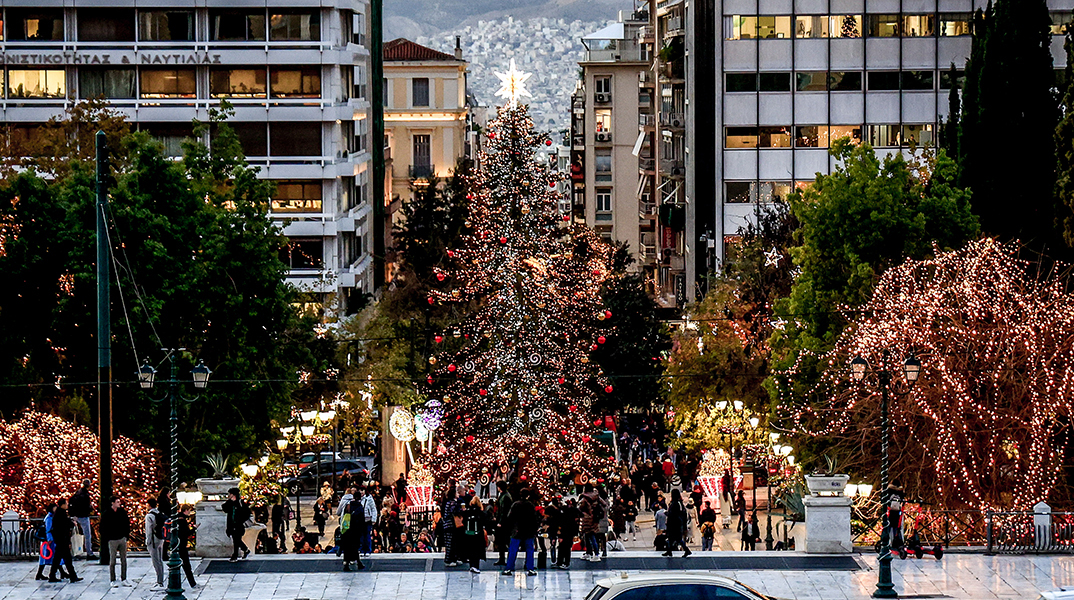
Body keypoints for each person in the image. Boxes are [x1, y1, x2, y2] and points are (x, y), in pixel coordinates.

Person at [502, 488, 538, 576]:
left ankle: (509, 568)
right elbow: (535, 519)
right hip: (528, 531)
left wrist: (511, 529)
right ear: (528, 496)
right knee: (529, 550)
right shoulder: (530, 505)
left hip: (517, 530)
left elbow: (509, 518)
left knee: (513, 550)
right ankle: (530, 568)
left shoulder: (515, 505)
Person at [48, 498, 80, 583]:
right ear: (62, 505)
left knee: (59, 558)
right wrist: (72, 523)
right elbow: (65, 525)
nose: (67, 505)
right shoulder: (61, 514)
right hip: (62, 539)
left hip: (60, 539)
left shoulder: (59, 513)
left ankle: (54, 575)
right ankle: (72, 576)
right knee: (65, 558)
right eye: (66, 504)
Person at [100, 496, 129, 587]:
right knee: (112, 561)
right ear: (112, 503)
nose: (119, 503)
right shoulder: (107, 513)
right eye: (117, 502)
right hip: (112, 539)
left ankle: (124, 578)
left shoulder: (122, 512)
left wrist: (126, 536)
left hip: (122, 538)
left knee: (123, 560)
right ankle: (112, 579)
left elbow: (126, 523)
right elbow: (102, 527)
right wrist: (107, 537)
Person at [38, 503, 70, 582]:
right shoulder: (49, 518)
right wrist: (50, 539)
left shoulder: (52, 516)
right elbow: (48, 529)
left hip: (53, 539)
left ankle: (61, 572)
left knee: (56, 557)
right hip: (50, 540)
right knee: (52, 557)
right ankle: (40, 573)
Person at [68, 479, 96, 560]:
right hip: (83, 516)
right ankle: (89, 553)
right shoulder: (86, 495)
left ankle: (72, 552)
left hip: (75, 516)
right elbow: (87, 507)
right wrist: (90, 509)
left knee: (72, 535)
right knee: (87, 535)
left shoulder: (77, 493)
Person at [578, 483, 605, 562]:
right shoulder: (596, 496)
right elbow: (604, 504)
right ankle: (590, 553)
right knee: (590, 535)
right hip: (595, 519)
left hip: (587, 519)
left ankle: (594, 554)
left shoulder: (584, 498)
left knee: (589, 536)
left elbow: (580, 508)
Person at [339, 493, 366, 571]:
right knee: (355, 547)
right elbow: (362, 520)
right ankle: (358, 563)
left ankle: (347, 564)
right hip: (355, 532)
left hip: (346, 530)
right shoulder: (359, 507)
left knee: (347, 548)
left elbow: (343, 516)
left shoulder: (348, 506)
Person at [460, 495, 488, 573]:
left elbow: (463, 521)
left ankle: (471, 565)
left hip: (468, 534)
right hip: (478, 534)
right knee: (477, 551)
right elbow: (485, 522)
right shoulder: (481, 513)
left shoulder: (467, 512)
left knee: (470, 550)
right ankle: (476, 566)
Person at [222, 488, 251, 562]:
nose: (228, 495)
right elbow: (225, 508)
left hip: (238, 525)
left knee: (236, 540)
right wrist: (230, 502)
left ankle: (235, 555)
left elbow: (247, 513)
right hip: (231, 524)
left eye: (230, 494)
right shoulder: (229, 503)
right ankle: (245, 549)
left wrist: (241, 520)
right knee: (236, 540)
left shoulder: (240, 503)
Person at [144, 498, 166, 589]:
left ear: (149, 505)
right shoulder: (159, 513)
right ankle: (161, 579)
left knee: (155, 561)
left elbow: (149, 530)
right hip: (160, 538)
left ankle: (159, 581)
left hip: (153, 539)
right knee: (160, 560)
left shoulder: (149, 516)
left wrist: (147, 541)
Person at [663, 489, 692, 558]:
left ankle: (686, 550)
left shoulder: (675, 503)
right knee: (671, 538)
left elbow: (673, 514)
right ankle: (669, 551)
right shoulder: (679, 503)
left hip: (674, 523)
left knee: (676, 538)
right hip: (677, 523)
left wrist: (667, 513)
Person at [553, 498, 580, 570]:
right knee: (566, 547)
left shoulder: (563, 513)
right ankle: (564, 562)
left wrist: (560, 534)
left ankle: (562, 562)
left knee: (563, 547)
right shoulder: (573, 511)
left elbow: (562, 523)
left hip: (566, 531)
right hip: (570, 531)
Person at [175, 505, 198, 587]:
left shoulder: (177, 519)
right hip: (182, 545)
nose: (189, 512)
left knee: (181, 565)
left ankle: (191, 583)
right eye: (188, 511)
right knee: (186, 566)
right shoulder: (183, 521)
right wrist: (194, 529)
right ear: (185, 511)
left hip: (177, 545)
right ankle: (192, 583)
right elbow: (186, 534)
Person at [493, 481, 513, 565]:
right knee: (501, 542)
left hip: (504, 523)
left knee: (504, 541)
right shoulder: (503, 496)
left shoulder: (505, 497)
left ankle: (506, 559)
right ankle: (502, 559)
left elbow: (504, 511)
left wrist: (500, 521)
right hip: (502, 522)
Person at [883, 482, 906, 551]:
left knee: (889, 527)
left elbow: (886, 499)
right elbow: (903, 499)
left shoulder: (889, 490)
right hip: (898, 511)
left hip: (891, 511)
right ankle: (897, 540)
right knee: (897, 527)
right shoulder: (900, 491)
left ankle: (889, 542)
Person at [360, 486, 378, 555]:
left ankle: (367, 550)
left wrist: (373, 519)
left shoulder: (369, 499)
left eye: (362, 490)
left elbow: (373, 509)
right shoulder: (358, 499)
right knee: (361, 536)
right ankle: (362, 549)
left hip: (368, 520)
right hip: (360, 520)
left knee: (367, 535)